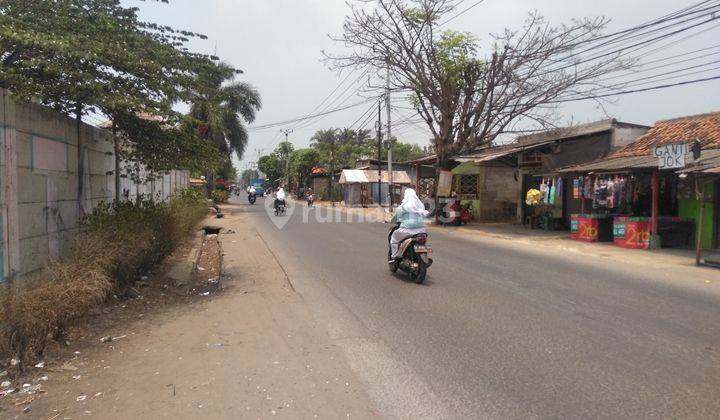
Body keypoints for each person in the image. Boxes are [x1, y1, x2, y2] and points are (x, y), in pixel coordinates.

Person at [389, 188, 429, 261]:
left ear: (405, 196)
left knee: (394, 239)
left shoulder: (402, 207)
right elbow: (423, 216)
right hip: (421, 231)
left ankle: (395, 256)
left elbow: (395, 218)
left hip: (407, 230)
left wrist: (392, 222)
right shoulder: (420, 206)